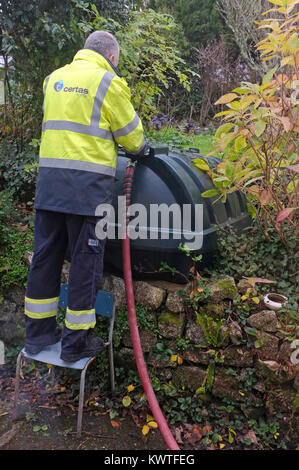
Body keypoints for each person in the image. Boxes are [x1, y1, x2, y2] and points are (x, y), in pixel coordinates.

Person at [24, 31, 147, 362]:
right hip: (87, 192)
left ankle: (36, 337)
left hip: (49, 187)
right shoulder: (108, 82)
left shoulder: (55, 80)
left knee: (45, 257)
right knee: (84, 263)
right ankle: (74, 345)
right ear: (111, 56)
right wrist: (143, 148)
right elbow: (133, 138)